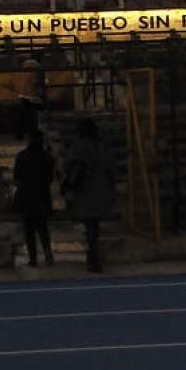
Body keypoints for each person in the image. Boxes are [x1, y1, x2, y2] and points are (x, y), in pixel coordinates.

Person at [61, 117, 115, 273]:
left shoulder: (79, 146)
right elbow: (111, 168)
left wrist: (68, 185)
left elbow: (72, 167)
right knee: (94, 225)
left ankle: (93, 257)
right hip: (101, 187)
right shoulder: (103, 146)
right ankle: (94, 256)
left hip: (86, 188)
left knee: (90, 225)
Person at [13, 128, 56, 267]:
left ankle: (33, 258)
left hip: (27, 195)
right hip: (41, 194)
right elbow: (50, 177)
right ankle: (47, 253)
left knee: (29, 230)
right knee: (42, 228)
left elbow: (16, 177)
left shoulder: (22, 156)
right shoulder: (47, 157)